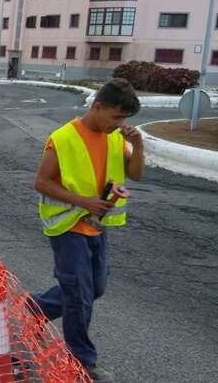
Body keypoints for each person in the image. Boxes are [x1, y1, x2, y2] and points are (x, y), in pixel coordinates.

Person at [30, 80, 143, 382]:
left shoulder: (115, 137)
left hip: (97, 226)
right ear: (98, 107)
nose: (121, 124)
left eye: (125, 119)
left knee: (96, 288)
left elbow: (136, 173)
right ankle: (81, 361)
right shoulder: (64, 138)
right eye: (117, 117)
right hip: (67, 226)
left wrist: (139, 144)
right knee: (79, 294)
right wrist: (85, 202)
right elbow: (42, 182)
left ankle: (34, 307)